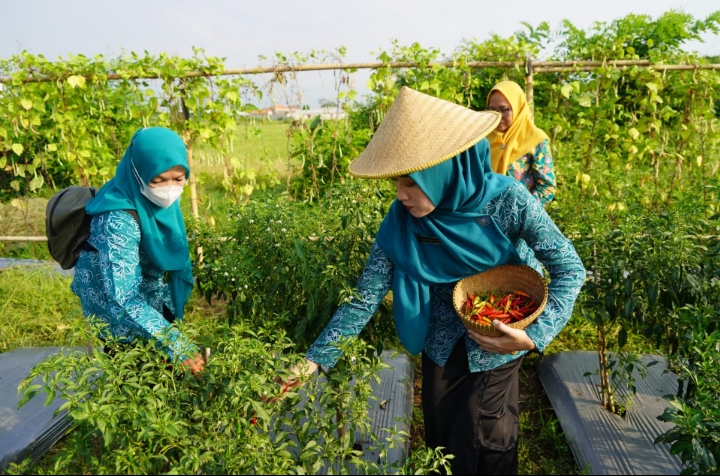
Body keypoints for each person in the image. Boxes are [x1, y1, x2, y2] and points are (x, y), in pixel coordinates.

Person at [283, 87, 585, 475]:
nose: (401, 195)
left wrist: (534, 335)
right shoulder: (402, 221)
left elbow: (568, 267)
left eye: (411, 182)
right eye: (396, 183)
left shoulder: (506, 200)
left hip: (500, 335)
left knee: (490, 438)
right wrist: (313, 361)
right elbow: (365, 297)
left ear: (446, 170)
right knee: (444, 437)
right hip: (440, 339)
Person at [70, 127, 204, 375]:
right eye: (159, 180)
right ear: (138, 172)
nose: (169, 189)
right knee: (137, 378)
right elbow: (123, 298)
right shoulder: (117, 219)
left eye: (178, 179)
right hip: (115, 306)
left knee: (169, 368)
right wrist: (176, 344)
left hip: (149, 289)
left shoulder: (160, 199)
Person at [486, 80, 557, 206]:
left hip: (520, 219)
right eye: (492, 109)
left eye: (504, 109)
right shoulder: (483, 139)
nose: (498, 116)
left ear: (518, 108)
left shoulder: (535, 140)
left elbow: (547, 187)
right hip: (484, 218)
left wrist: (522, 213)